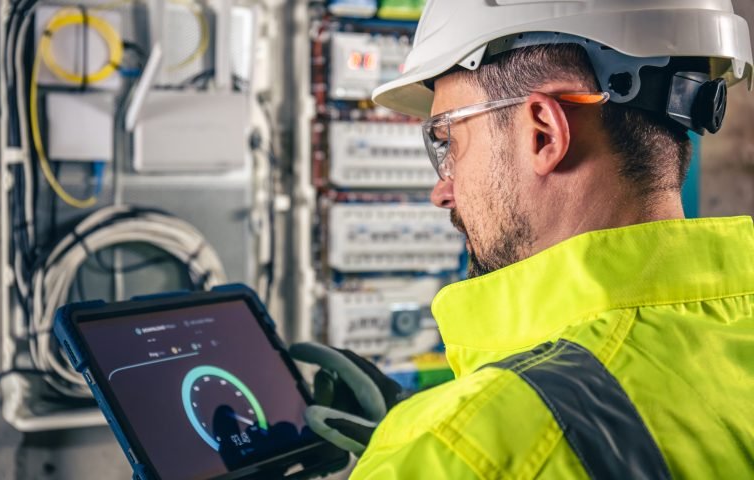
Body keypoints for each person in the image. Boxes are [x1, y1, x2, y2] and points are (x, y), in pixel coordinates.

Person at [291, 1, 754, 477]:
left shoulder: (461, 453)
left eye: (448, 139)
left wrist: (424, 447)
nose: (442, 190)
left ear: (543, 133)